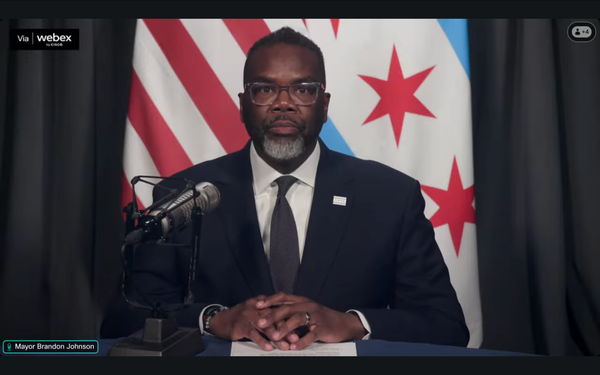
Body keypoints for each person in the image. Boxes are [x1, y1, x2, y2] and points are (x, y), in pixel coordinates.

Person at [101, 26, 469, 350]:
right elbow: (121, 319)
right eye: (264, 89)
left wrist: (353, 323)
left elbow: (446, 326)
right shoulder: (183, 194)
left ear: (324, 106)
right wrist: (214, 319)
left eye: (303, 90)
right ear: (243, 106)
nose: (282, 104)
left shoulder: (391, 197)